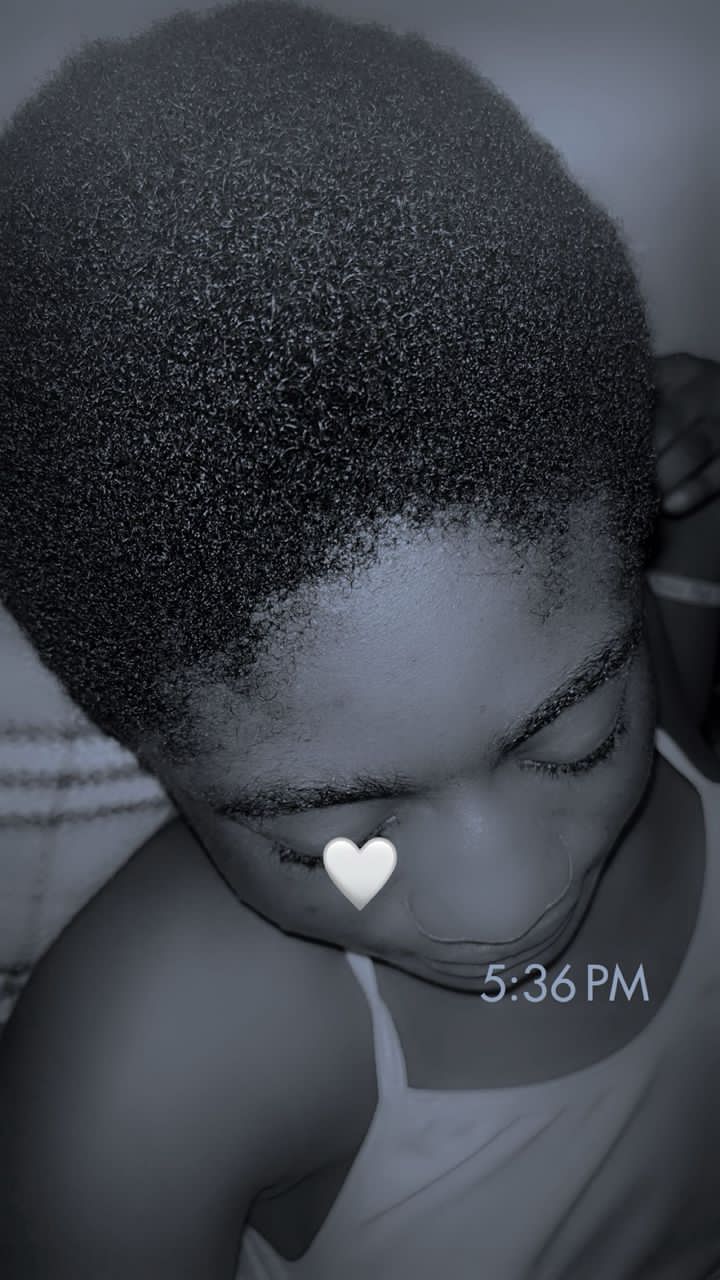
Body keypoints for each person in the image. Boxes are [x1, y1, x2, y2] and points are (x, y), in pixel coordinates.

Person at [1, 3, 719, 1276]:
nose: (510, 902)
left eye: (575, 739)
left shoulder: (653, 610)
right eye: (332, 836)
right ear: (137, 739)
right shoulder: (138, 1076)